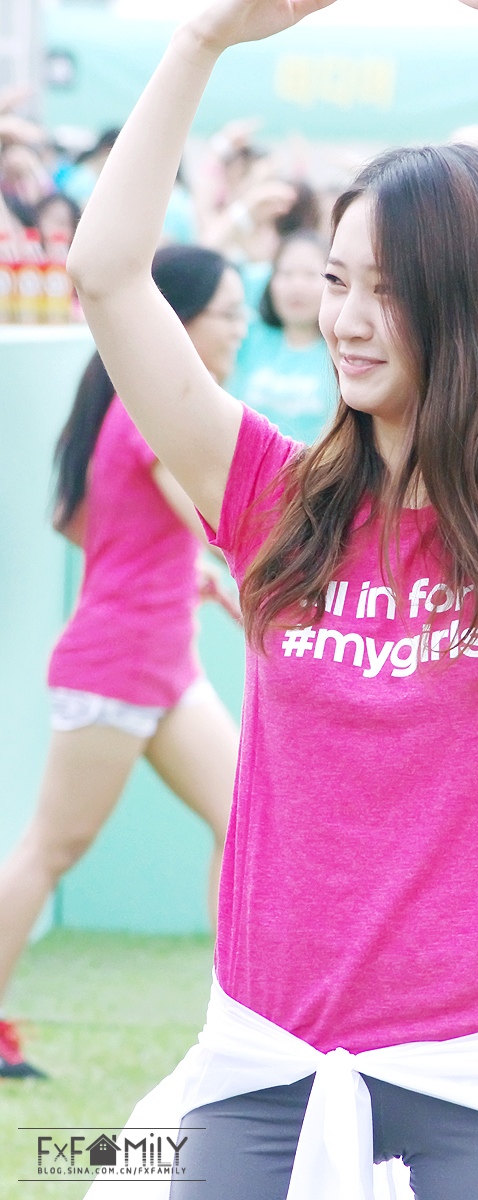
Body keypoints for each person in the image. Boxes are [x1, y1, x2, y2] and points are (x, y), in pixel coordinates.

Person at [67, 0, 478, 1195]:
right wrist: (198, 41)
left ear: (467, 305)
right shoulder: (268, 495)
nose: (347, 319)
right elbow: (106, 275)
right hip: (261, 1056)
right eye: (335, 281)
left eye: (388, 289)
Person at [0, 245, 244, 1080]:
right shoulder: (154, 416)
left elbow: (86, 524)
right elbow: (223, 518)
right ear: (179, 323)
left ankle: (241, 1020)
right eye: (227, 314)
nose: (239, 329)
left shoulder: (124, 406)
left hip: (162, 663)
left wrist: (178, 575)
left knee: (246, 820)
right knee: (50, 849)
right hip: (118, 667)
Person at [228, 230, 336, 442]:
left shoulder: (341, 352)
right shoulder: (248, 337)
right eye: (286, 274)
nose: (297, 286)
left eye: (310, 275)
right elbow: (205, 282)